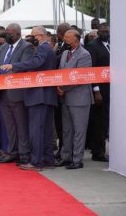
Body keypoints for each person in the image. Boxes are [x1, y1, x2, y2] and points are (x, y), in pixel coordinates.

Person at [0, 26, 57, 171]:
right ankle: (48, 159)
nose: (31, 39)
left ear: (39, 36)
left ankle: (36, 161)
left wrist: (14, 65)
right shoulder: (48, 48)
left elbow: (35, 63)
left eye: (32, 36)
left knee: (36, 131)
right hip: (46, 95)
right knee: (46, 130)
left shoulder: (43, 48)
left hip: (39, 95)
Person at [0, 23, 33, 164]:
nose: (6, 35)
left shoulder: (26, 47)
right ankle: (11, 151)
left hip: (17, 93)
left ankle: (24, 154)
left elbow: (25, 65)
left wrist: (6, 76)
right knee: (9, 126)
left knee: (21, 126)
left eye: (9, 33)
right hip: (3, 93)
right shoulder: (3, 47)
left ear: (17, 34)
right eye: (6, 33)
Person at [56, 30, 93, 170]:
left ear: (75, 40)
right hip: (65, 97)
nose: (64, 40)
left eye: (67, 38)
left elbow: (80, 78)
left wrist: (63, 89)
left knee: (79, 130)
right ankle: (66, 157)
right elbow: (60, 72)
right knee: (67, 130)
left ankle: (77, 159)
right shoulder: (65, 53)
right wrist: (58, 87)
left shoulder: (84, 55)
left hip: (79, 98)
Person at [86, 22, 110, 162]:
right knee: (99, 122)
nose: (105, 34)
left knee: (106, 120)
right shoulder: (92, 46)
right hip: (100, 90)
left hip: (112, 89)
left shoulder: (112, 45)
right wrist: (96, 90)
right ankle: (97, 152)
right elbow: (92, 70)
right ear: (98, 31)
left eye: (107, 31)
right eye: (102, 31)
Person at [53, 23, 71, 159]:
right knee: (59, 123)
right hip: (57, 89)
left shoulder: (70, 48)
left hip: (67, 90)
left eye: (61, 32)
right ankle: (61, 149)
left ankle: (65, 150)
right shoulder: (59, 47)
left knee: (67, 125)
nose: (59, 35)